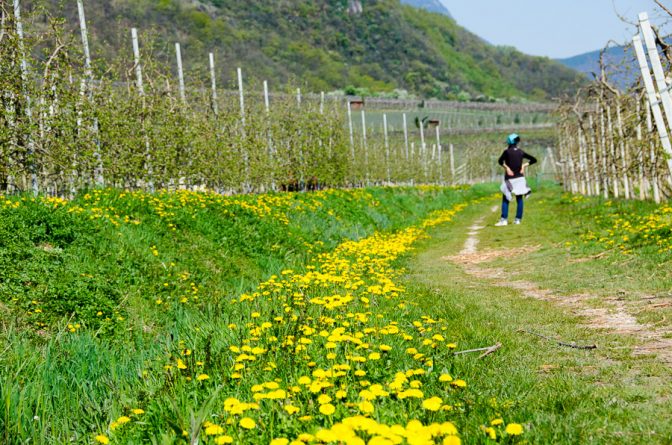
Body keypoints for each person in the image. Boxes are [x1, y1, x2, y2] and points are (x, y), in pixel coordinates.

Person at [495, 133, 537, 226]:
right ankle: (518, 220)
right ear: (517, 142)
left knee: (506, 198)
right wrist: (524, 166)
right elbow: (534, 159)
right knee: (519, 198)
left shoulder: (506, 152)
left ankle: (504, 220)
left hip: (510, 179)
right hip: (520, 178)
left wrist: (507, 168)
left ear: (509, 141)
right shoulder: (521, 152)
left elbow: (500, 161)